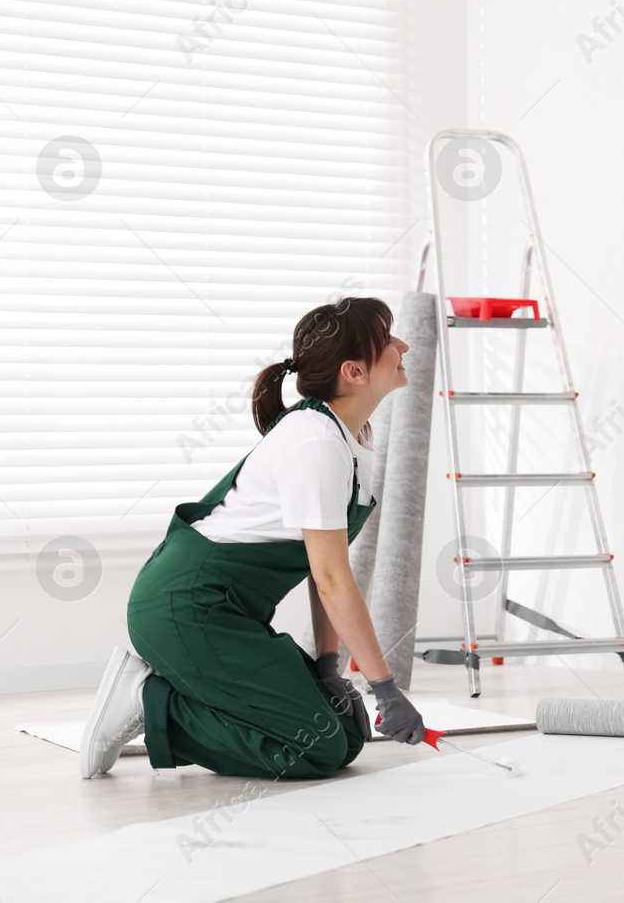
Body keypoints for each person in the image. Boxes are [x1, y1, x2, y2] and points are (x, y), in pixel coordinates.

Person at [79, 296, 428, 778]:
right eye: (389, 340)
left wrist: (329, 666)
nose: (403, 345)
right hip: (189, 608)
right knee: (317, 748)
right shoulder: (317, 441)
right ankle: (148, 700)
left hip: (221, 613)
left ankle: (168, 697)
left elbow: (322, 570)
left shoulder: (347, 436)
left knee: (344, 735)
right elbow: (331, 577)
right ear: (355, 371)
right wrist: (385, 687)